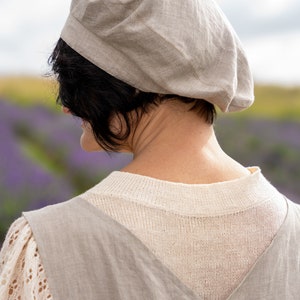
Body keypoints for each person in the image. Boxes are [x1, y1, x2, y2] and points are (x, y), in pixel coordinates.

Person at [0, 0, 299, 299]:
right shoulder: (294, 232)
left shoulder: (46, 248)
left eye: (75, 85)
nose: (66, 107)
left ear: (132, 81)